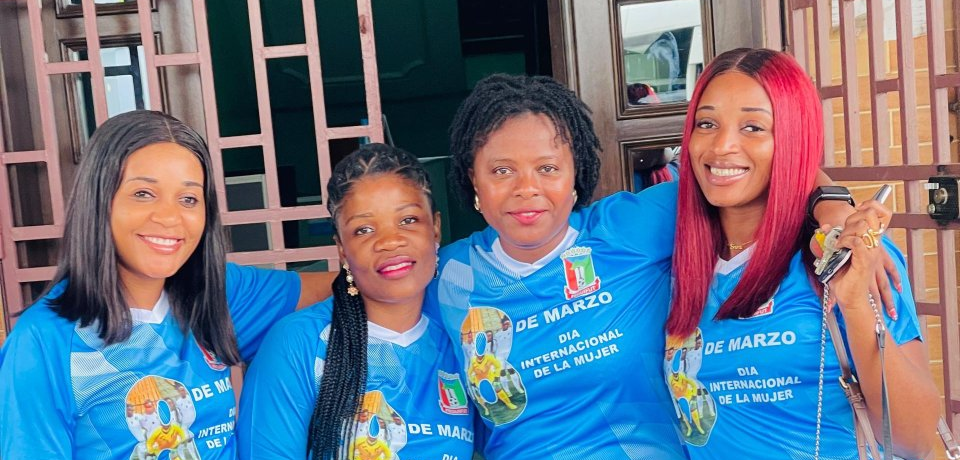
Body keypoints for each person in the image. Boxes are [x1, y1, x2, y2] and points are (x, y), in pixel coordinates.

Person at [431, 72, 895, 459]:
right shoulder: (446, 276)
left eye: (548, 168)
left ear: (576, 174)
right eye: (501, 170)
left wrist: (833, 206)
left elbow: (759, 170)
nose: (526, 188)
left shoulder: (629, 227)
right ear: (473, 179)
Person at [0, 110, 329, 460]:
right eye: (143, 193)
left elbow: (355, 283)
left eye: (188, 199)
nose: (170, 218)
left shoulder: (217, 293)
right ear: (99, 201)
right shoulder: (44, 340)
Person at [664, 48, 939, 458]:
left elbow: (915, 440)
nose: (722, 146)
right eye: (707, 123)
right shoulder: (669, 256)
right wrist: (831, 199)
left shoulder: (844, 256)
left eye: (753, 127)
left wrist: (855, 305)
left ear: (792, 140)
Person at [236, 144, 474, 460]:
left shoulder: (461, 338)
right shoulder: (299, 343)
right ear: (342, 249)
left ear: (436, 229)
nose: (390, 241)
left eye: (408, 220)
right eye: (364, 229)